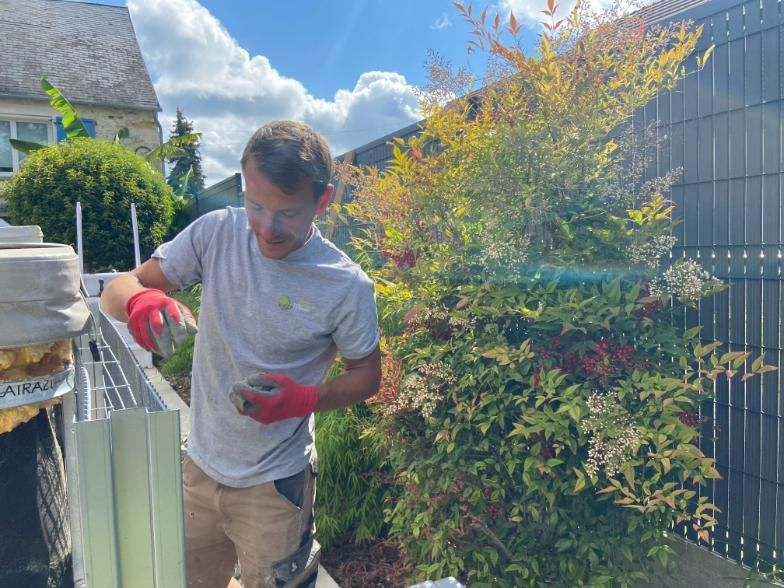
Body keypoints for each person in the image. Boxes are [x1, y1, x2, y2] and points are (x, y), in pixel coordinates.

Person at [100, 120, 381, 588]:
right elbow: (117, 287)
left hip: (275, 486)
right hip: (200, 465)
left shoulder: (345, 285)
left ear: (323, 201)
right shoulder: (217, 233)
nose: (266, 229)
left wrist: (304, 400)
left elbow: (367, 375)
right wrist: (139, 300)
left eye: (287, 213)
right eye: (255, 205)